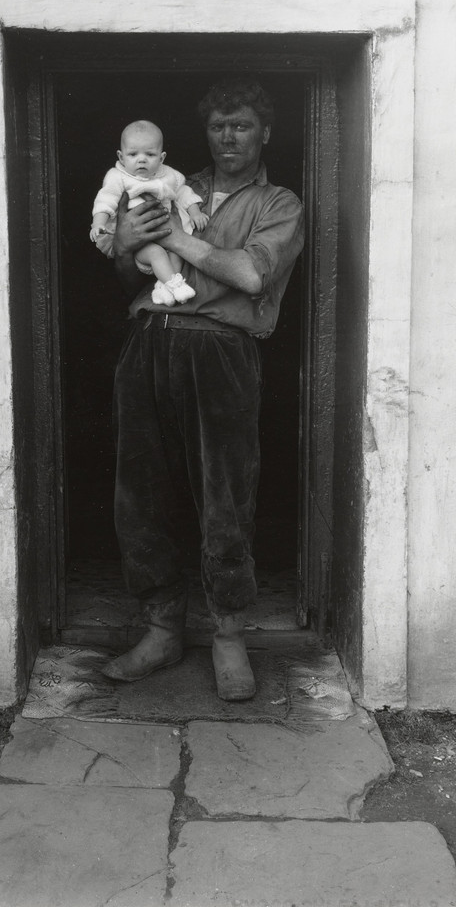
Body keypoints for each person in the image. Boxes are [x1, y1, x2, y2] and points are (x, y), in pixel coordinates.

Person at [102, 78, 305, 701]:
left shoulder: (278, 202)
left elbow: (247, 272)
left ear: (263, 132)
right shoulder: (167, 181)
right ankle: (162, 629)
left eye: (241, 125)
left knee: (225, 492)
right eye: (219, 126)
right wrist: (132, 241)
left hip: (222, 349)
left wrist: (174, 237)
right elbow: (120, 264)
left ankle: (227, 636)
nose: (229, 137)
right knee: (141, 489)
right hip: (150, 339)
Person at [90, 119, 209, 306]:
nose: (142, 159)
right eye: (133, 154)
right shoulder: (118, 177)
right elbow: (106, 200)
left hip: (167, 234)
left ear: (161, 158)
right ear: (121, 157)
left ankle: (163, 288)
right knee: (156, 253)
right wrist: (98, 223)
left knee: (177, 252)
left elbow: (184, 192)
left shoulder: (170, 175)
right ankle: (176, 285)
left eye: (150, 154)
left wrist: (194, 212)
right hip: (138, 240)